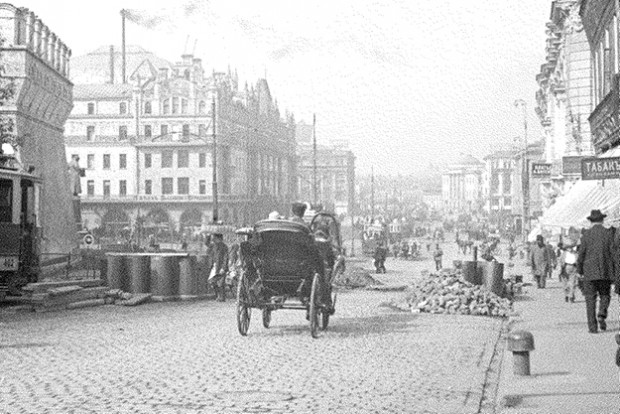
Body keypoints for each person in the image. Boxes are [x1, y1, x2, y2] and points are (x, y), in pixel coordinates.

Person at [576, 209, 616, 333]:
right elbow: (613, 253)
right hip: (605, 271)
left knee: (590, 300)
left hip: (589, 272)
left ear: (591, 221)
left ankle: (592, 328)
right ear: (602, 220)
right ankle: (602, 313)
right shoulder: (608, 233)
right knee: (605, 295)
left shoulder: (586, 235)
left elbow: (581, 254)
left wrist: (579, 270)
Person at [208, 233, 229, 302]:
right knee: (212, 282)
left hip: (221, 267)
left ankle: (222, 297)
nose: (213, 239)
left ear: (218, 238)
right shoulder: (213, 246)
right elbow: (206, 243)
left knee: (221, 283)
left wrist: (223, 267)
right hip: (215, 267)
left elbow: (226, 258)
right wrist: (208, 236)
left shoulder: (224, 246)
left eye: (214, 237)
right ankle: (218, 295)